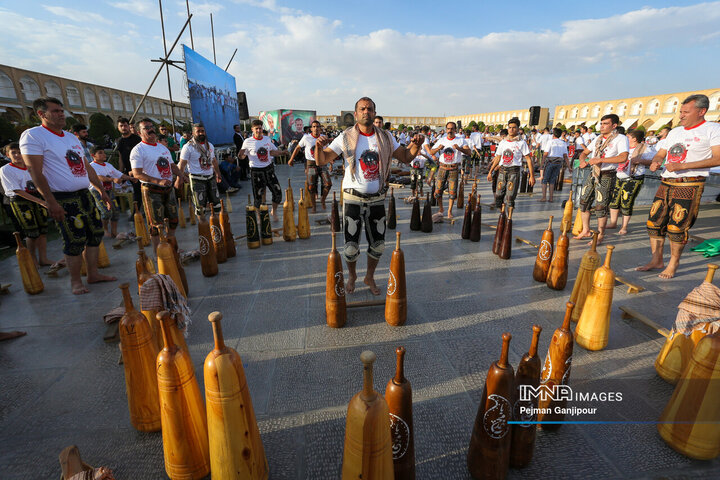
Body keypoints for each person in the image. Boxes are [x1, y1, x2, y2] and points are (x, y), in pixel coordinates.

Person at [315, 97, 422, 295]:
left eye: (370, 109)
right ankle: (353, 275)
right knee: (350, 247)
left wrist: (417, 145)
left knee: (378, 245)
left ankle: (369, 277)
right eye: (362, 109)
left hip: (377, 199)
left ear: (374, 113)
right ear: (356, 114)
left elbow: (406, 157)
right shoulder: (345, 136)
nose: (366, 112)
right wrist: (318, 147)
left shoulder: (386, 137)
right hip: (353, 198)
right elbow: (322, 160)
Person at [21, 97, 115, 294]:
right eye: (55, 111)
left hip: (84, 194)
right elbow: (35, 172)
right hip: (62, 197)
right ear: (41, 114)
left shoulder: (71, 138)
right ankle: (75, 282)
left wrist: (101, 190)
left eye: (62, 110)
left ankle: (93, 274)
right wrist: (50, 202)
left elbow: (86, 166)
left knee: (95, 234)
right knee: (74, 239)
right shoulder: (33, 136)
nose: (61, 114)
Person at [637, 94, 720, 278]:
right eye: (680, 111)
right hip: (666, 182)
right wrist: (656, 162)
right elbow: (661, 153)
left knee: (677, 226)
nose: (681, 115)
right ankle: (656, 259)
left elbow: (718, 157)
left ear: (701, 111)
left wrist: (682, 166)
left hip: (690, 184)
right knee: (654, 222)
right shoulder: (675, 131)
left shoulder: (713, 129)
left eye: (685, 112)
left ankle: (673, 263)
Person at [130, 118, 186, 251]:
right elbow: (137, 174)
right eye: (146, 128)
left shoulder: (162, 147)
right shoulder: (138, 150)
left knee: (173, 220)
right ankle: (159, 253)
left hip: (168, 188)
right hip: (151, 190)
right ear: (139, 132)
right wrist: (158, 181)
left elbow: (172, 165)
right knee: (156, 224)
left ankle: (172, 247)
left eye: (151, 126)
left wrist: (181, 175)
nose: (150, 129)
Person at [574, 114, 628, 244]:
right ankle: (586, 230)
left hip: (607, 175)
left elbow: (623, 157)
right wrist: (582, 161)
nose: (602, 126)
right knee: (584, 201)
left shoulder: (621, 138)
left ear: (614, 126)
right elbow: (584, 153)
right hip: (594, 173)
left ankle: (600, 235)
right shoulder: (598, 139)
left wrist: (601, 159)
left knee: (600, 206)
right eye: (601, 123)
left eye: (605, 124)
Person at [0, 142, 53, 266]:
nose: (18, 155)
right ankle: (32, 259)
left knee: (43, 231)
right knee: (32, 233)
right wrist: (41, 201)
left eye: (20, 152)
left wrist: (45, 199)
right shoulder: (5, 169)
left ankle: (43, 258)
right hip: (21, 201)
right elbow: (17, 190)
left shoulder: (31, 166)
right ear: (8, 155)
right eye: (14, 153)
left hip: (37, 198)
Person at [607, 130, 655, 235]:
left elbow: (655, 160)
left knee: (626, 202)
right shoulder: (623, 147)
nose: (625, 139)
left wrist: (640, 161)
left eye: (628, 137)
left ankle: (624, 226)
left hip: (633, 178)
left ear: (634, 139)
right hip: (619, 176)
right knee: (614, 201)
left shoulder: (645, 149)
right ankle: (613, 223)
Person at [486, 118, 535, 209]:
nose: (511, 129)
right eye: (509, 127)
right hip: (502, 171)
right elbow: (498, 158)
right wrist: (490, 171)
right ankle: (502, 215)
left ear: (518, 129)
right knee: (498, 195)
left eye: (514, 127)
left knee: (510, 197)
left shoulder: (521, 143)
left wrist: (531, 176)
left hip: (514, 172)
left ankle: (509, 218)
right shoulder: (503, 142)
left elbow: (528, 159)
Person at [88, 145, 136, 237]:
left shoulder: (108, 165)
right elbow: (98, 178)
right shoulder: (91, 166)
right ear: (93, 155)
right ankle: (105, 230)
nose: (103, 154)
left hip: (109, 191)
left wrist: (131, 178)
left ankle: (114, 232)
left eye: (103, 152)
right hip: (97, 191)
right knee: (106, 212)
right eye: (100, 153)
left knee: (116, 211)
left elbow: (119, 174)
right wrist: (112, 179)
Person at [239, 120, 283, 218]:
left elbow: (272, 152)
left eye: (260, 128)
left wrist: (282, 153)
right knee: (258, 196)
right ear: (252, 130)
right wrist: (240, 155)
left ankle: (273, 211)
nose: (259, 130)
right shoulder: (247, 141)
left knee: (278, 193)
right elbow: (242, 155)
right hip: (256, 171)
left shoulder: (267, 139)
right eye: (256, 129)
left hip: (269, 170)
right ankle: (259, 216)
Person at [427, 122, 470, 218]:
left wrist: (459, 148)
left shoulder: (461, 140)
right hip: (442, 168)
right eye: (448, 129)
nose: (450, 131)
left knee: (452, 192)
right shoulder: (441, 140)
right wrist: (438, 148)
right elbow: (430, 152)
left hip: (453, 169)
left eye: (452, 129)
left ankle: (449, 211)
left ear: (455, 130)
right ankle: (441, 208)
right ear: (446, 130)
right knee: (438, 191)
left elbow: (469, 152)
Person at [178, 123, 222, 215]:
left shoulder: (209, 145)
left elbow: (214, 161)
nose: (201, 133)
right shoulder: (188, 147)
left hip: (210, 177)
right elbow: (182, 165)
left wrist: (218, 174)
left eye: (202, 131)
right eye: (198, 131)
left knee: (217, 205)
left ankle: (216, 227)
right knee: (200, 208)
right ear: (193, 133)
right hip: (197, 179)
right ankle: (204, 228)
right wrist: (179, 179)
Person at [288, 120, 331, 212]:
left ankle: (322, 200)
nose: (316, 128)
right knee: (311, 186)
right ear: (311, 129)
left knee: (328, 184)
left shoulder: (324, 138)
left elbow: (328, 151)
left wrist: (331, 163)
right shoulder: (306, 138)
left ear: (320, 128)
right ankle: (314, 206)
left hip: (322, 163)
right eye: (314, 127)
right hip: (311, 164)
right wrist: (291, 159)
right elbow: (297, 148)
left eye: (317, 127)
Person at [115, 117, 141, 218]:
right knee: (136, 191)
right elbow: (121, 158)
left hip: (139, 170)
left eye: (125, 125)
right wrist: (120, 173)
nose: (124, 128)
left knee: (139, 192)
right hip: (129, 172)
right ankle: (136, 213)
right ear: (118, 128)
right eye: (121, 126)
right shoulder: (119, 141)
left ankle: (136, 213)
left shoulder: (136, 139)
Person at [539, 128, 570, 203]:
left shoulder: (551, 142)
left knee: (545, 180)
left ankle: (544, 197)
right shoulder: (563, 143)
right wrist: (569, 167)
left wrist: (541, 164)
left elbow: (545, 154)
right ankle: (551, 198)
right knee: (552, 180)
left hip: (550, 161)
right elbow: (565, 156)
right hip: (559, 162)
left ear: (553, 134)